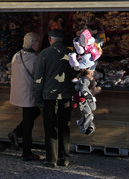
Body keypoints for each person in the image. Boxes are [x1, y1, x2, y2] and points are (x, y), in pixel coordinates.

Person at [34, 29, 77, 167]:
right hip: (66, 94)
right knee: (65, 126)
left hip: (49, 95)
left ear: (50, 39)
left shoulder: (45, 53)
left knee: (51, 126)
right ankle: (64, 158)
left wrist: (38, 96)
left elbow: (39, 77)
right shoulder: (71, 53)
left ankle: (51, 159)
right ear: (62, 40)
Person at [8, 32, 41, 161]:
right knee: (28, 123)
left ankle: (16, 133)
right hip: (29, 93)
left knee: (32, 115)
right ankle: (26, 152)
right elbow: (38, 76)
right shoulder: (34, 59)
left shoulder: (16, 56)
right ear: (33, 44)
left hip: (19, 93)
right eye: (37, 42)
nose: (38, 45)